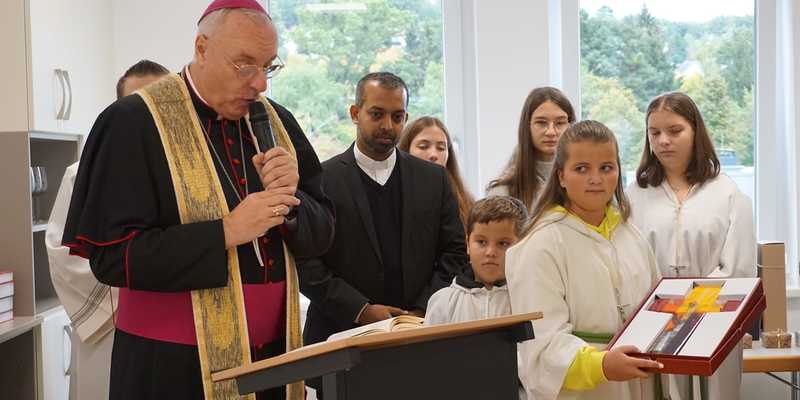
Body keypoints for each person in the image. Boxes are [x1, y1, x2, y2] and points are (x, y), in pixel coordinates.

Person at [61, 1, 335, 399]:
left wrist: (292, 203)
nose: (260, 83)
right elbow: (112, 258)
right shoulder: (132, 121)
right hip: (171, 367)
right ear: (202, 48)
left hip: (276, 359)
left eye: (268, 66)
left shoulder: (278, 122)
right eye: (245, 65)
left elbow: (323, 233)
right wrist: (226, 232)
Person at [298, 72, 468, 396]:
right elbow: (306, 263)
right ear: (355, 113)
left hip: (419, 339)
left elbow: (455, 253)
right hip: (340, 342)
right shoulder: (320, 180)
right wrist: (361, 310)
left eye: (397, 116)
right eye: (377, 114)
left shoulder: (433, 179)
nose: (388, 125)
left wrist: (422, 310)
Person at [506, 120, 663, 400]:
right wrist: (601, 365)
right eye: (581, 169)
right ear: (561, 176)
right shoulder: (541, 243)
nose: (596, 179)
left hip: (638, 384)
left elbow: (657, 306)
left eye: (606, 167)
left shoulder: (631, 234)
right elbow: (540, 345)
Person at [45, 59, 169, 400]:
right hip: (111, 325)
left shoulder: (193, 177)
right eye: (138, 105)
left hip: (180, 330)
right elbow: (64, 252)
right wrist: (137, 283)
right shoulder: (83, 174)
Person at [627, 92, 756, 400]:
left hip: (714, 325)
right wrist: (664, 311)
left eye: (675, 131)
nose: (663, 141)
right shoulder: (634, 196)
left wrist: (689, 310)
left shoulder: (728, 194)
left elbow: (738, 268)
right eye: (654, 133)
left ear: (695, 131)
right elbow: (628, 263)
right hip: (652, 326)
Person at [425, 195, 527, 325]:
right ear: (467, 244)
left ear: (522, 245)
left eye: (503, 243)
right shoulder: (444, 302)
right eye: (482, 242)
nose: (490, 252)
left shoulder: (528, 298)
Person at [486, 86, 576, 210]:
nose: (551, 132)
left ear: (571, 126)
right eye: (541, 123)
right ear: (527, 127)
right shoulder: (502, 194)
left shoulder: (587, 186)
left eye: (560, 123)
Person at [399, 116, 474, 226]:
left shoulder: (466, 202)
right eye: (423, 147)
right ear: (406, 150)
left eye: (441, 148)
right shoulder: (394, 196)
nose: (433, 155)